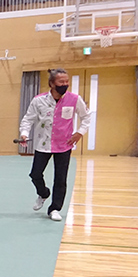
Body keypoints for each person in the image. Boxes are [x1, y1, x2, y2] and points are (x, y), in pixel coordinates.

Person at [19, 68, 91, 221]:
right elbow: (28, 119)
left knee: (61, 178)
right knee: (35, 174)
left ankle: (55, 208)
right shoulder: (39, 100)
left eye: (67, 82)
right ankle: (43, 193)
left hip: (64, 145)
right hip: (43, 144)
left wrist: (80, 132)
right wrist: (24, 133)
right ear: (52, 83)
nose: (65, 84)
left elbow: (86, 116)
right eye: (61, 82)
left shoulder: (74, 99)